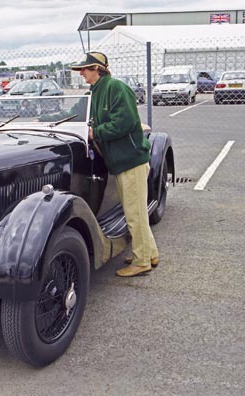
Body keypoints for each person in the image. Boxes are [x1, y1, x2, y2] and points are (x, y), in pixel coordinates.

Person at [71, 52, 159, 277]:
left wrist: (94, 132)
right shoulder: (94, 92)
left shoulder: (116, 88)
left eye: (85, 69)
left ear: (97, 69)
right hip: (121, 163)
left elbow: (125, 122)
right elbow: (75, 115)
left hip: (131, 161)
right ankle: (149, 253)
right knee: (135, 210)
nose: (81, 73)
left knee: (134, 213)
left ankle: (141, 262)